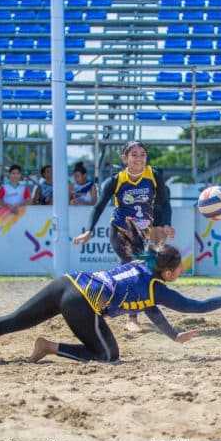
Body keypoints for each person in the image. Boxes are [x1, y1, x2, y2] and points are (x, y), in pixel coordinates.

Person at [0, 244, 221, 363]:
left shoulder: (142, 267)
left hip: (68, 282)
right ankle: (48, 347)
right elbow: (195, 306)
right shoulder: (158, 287)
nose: (181, 272)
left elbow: (150, 309)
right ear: (167, 273)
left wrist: (174, 335)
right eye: (179, 269)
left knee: (15, 319)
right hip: (83, 301)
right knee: (108, 355)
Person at [72, 141, 174, 331]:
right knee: (135, 267)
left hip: (143, 232)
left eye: (142, 154)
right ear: (125, 158)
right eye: (134, 154)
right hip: (121, 231)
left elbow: (165, 203)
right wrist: (89, 230)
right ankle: (132, 318)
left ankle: (102, 303)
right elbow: (99, 206)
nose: (139, 158)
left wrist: (166, 224)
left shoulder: (154, 175)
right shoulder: (116, 180)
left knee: (135, 271)